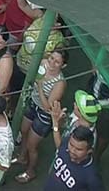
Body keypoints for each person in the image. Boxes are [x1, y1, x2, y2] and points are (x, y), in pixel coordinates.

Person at [16, 47, 69, 184]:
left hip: (44, 114)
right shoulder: (43, 63)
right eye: (52, 58)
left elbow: (48, 106)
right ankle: (22, 156)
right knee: (23, 130)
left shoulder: (60, 83)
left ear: (63, 65)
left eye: (57, 62)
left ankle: (31, 170)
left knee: (32, 146)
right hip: (32, 103)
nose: (52, 63)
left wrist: (40, 86)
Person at [42, 126, 104, 191]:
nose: (72, 150)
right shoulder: (66, 143)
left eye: (78, 149)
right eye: (71, 145)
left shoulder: (92, 176)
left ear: (89, 151)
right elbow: (60, 147)